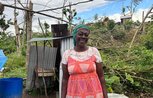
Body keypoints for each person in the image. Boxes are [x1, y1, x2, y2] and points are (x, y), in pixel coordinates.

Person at [61, 24, 108, 98]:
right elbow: (65, 79)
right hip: (74, 94)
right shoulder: (67, 54)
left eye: (86, 35)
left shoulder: (94, 51)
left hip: (94, 94)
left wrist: (106, 96)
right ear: (74, 35)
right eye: (80, 34)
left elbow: (101, 76)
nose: (83, 37)